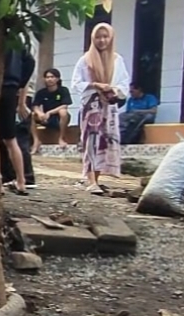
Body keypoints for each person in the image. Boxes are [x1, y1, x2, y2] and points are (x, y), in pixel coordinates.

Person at [71, 22, 130, 195]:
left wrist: (113, 90)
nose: (102, 40)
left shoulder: (117, 60)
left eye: (105, 36)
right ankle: (90, 180)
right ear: (92, 38)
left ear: (111, 38)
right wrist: (95, 85)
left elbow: (124, 83)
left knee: (105, 141)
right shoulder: (85, 60)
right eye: (98, 37)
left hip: (109, 107)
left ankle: (97, 179)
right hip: (91, 107)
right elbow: (76, 83)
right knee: (91, 141)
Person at [0, 41, 36, 195]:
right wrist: (20, 83)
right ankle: (21, 181)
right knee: (10, 139)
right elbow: (30, 62)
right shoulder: (18, 40)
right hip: (12, 88)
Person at [30, 68, 73, 153]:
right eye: (47, 77)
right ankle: (36, 141)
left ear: (57, 79)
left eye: (52, 77)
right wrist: (40, 113)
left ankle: (61, 138)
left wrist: (50, 112)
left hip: (59, 118)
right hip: (46, 118)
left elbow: (65, 105)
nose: (49, 79)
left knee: (63, 112)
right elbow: (35, 106)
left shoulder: (63, 90)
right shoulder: (41, 92)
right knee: (32, 115)